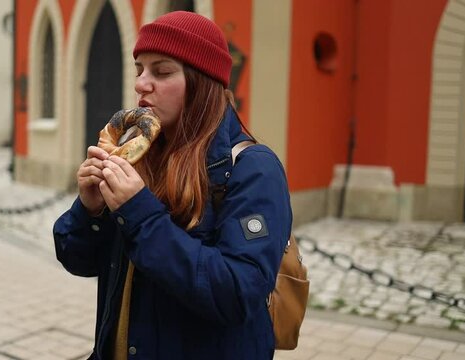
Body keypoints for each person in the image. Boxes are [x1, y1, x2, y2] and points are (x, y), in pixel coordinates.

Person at [53, 11, 292, 360]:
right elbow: (79, 261)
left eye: (162, 71)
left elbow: (239, 293)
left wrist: (140, 214)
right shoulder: (140, 154)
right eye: (139, 70)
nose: (140, 83)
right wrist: (90, 210)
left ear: (202, 83)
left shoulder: (253, 170)